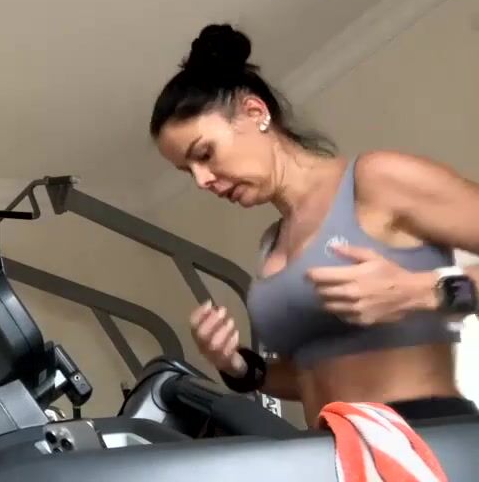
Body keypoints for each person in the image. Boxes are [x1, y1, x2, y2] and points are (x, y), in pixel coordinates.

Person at [149, 23, 479, 426]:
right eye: (188, 171)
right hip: (327, 445)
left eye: (204, 154)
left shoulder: (375, 180)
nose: (202, 180)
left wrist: (423, 291)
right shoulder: (272, 244)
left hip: (422, 434)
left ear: (255, 112)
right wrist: (238, 366)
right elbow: (313, 373)